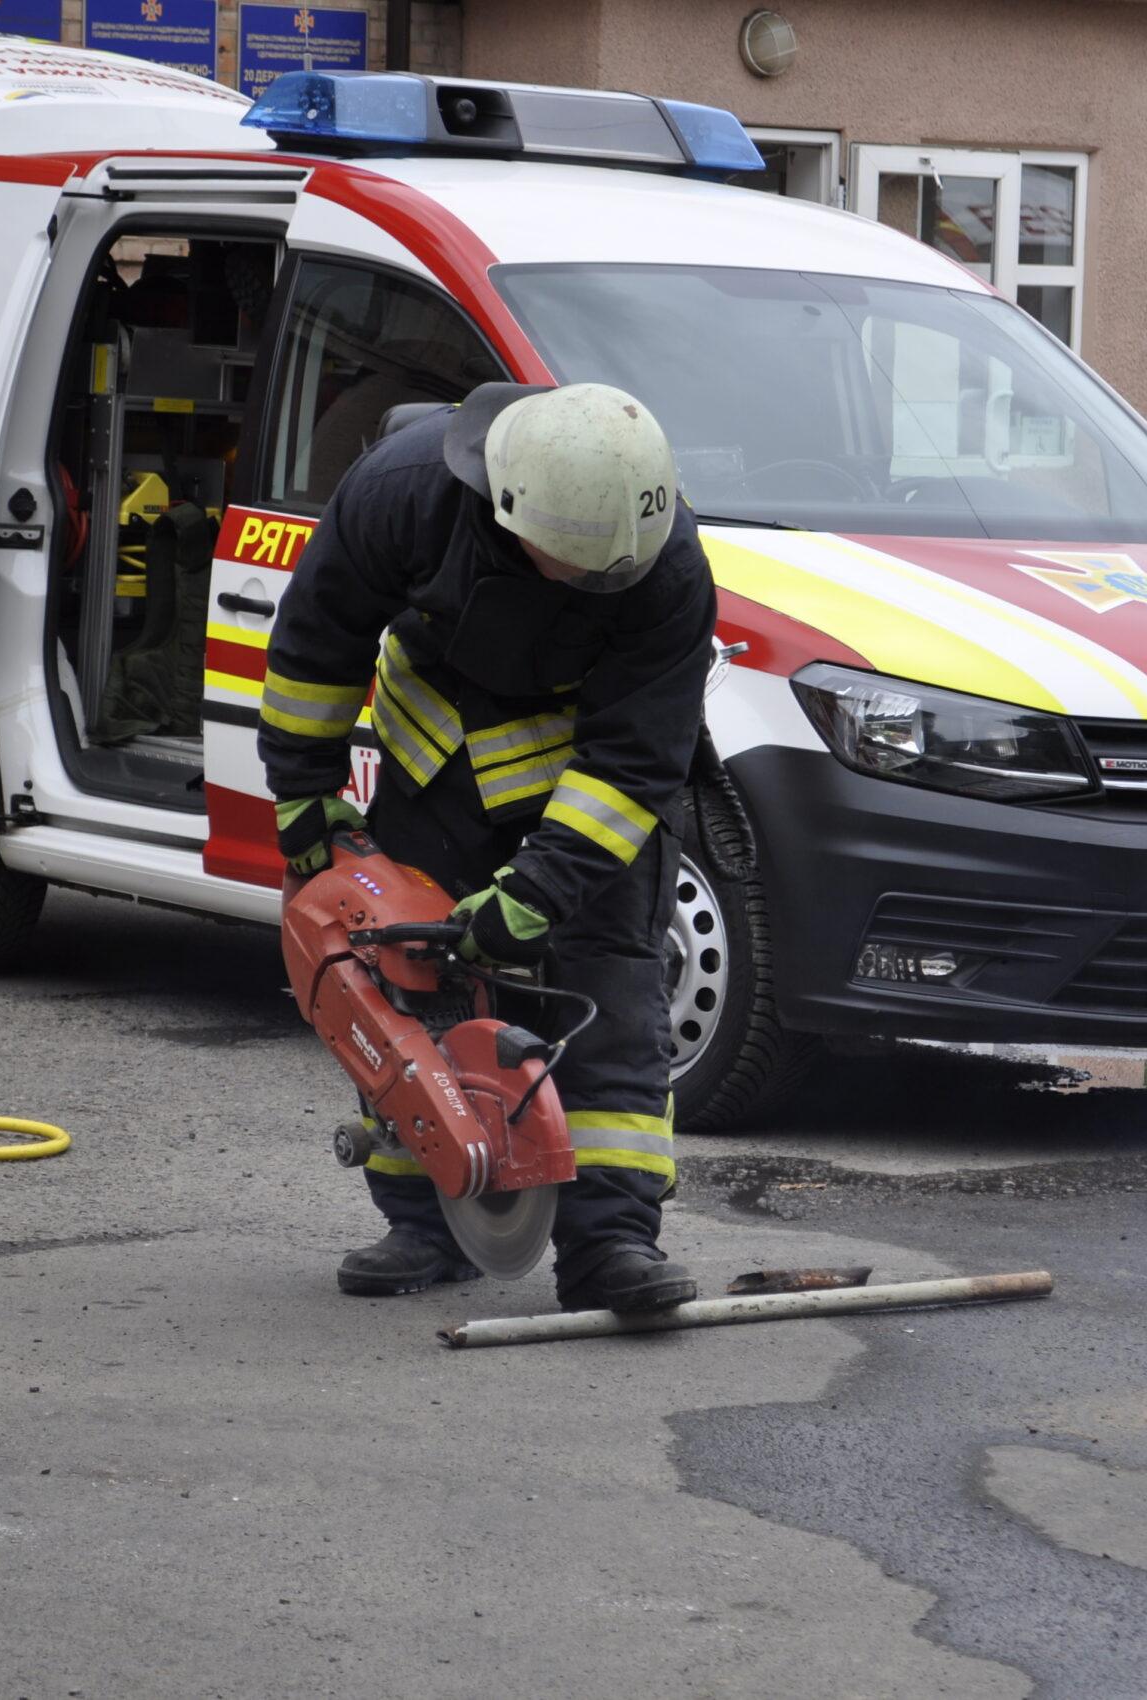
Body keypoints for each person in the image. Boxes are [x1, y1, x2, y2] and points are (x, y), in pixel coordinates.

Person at [263, 382, 717, 1313]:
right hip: (434, 762)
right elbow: (317, 644)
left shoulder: (665, 565)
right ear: (506, 513)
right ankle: (423, 1224)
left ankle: (610, 1246)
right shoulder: (400, 492)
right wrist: (304, 793)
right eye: (579, 570)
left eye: (609, 576)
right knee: (401, 982)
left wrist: (539, 894)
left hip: (578, 787)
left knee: (609, 997)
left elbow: (635, 761)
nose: (599, 587)